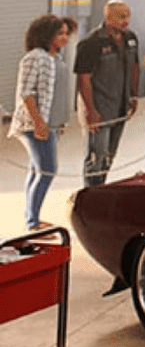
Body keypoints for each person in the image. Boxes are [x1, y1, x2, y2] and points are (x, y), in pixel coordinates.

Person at [9, 15, 73, 230]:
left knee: (37, 170)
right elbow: (26, 93)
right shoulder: (34, 58)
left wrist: (59, 123)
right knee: (47, 170)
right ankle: (32, 223)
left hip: (51, 124)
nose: (64, 37)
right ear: (46, 35)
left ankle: (32, 217)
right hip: (33, 124)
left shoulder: (57, 58)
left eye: (66, 33)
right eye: (59, 33)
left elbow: (58, 93)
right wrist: (38, 122)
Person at [75, 0, 139, 187]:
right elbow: (83, 78)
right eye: (121, 16)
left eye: (128, 16)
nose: (126, 20)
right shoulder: (91, 43)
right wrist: (91, 111)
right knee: (96, 157)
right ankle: (90, 195)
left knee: (109, 156)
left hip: (119, 107)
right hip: (99, 108)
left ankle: (101, 189)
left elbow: (135, 67)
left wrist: (133, 96)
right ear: (108, 17)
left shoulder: (130, 39)